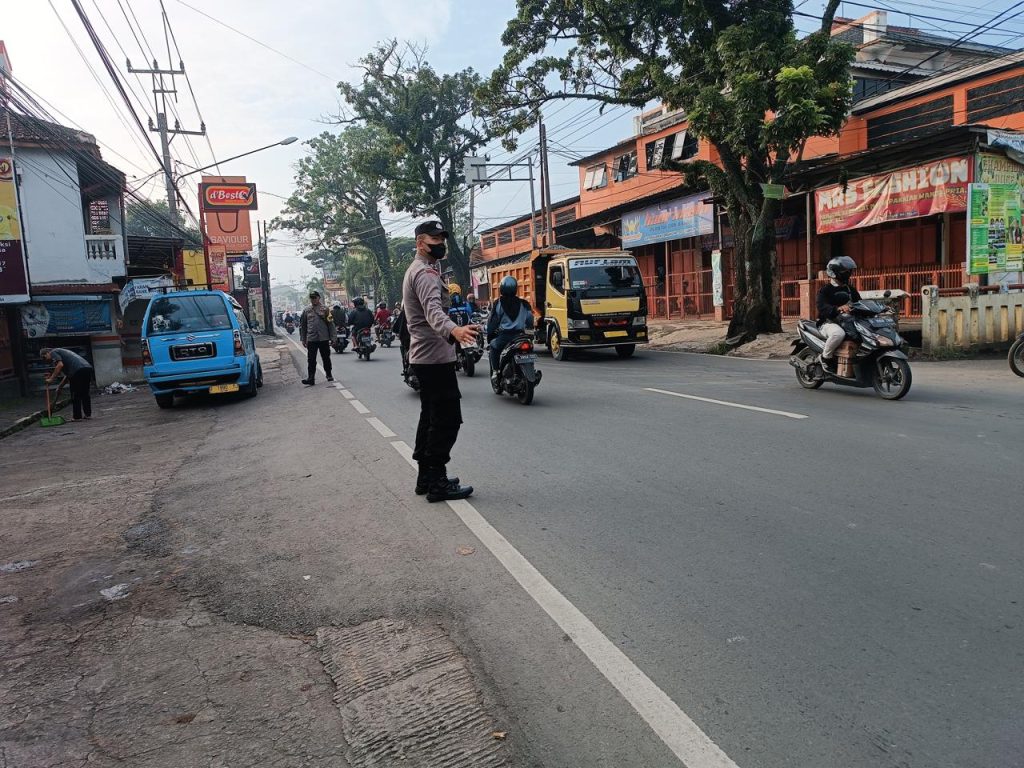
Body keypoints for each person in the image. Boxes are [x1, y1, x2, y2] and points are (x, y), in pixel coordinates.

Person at [402, 220, 478, 502]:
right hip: (433, 358)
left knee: (430, 417)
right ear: (421, 242)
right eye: (435, 238)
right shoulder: (425, 274)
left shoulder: (421, 270)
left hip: (425, 357)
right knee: (447, 420)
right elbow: (434, 312)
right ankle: (437, 481)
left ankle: (426, 477)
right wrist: (454, 330)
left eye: (442, 237)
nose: (441, 243)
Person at [816, 256, 861, 373]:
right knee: (838, 334)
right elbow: (822, 308)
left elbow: (860, 303)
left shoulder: (850, 289)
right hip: (828, 323)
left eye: (848, 271)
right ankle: (825, 357)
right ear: (835, 273)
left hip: (847, 321)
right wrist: (838, 309)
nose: (848, 273)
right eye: (845, 271)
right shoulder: (825, 290)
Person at [486, 276, 534, 383]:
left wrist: (490, 334)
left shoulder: (499, 303)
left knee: (493, 347)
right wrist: (530, 335)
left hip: (505, 336)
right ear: (515, 288)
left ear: (501, 288)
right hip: (521, 336)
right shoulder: (524, 304)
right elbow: (530, 320)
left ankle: (495, 372)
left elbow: (493, 322)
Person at [41, 347, 93, 420]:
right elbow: (68, 375)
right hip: (87, 368)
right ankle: (88, 414)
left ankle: (77, 417)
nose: (46, 360)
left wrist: (51, 379)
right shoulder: (63, 353)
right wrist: (60, 387)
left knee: (75, 394)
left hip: (77, 371)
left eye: (44, 358)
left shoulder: (53, 352)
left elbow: (60, 365)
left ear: (47, 353)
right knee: (85, 393)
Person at [299, 291, 335, 385]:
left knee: (326, 357)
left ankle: (329, 374)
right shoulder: (306, 310)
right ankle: (311, 378)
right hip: (311, 338)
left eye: (315, 297)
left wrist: (333, 338)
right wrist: (303, 339)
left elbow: (331, 324)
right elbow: (303, 326)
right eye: (311, 298)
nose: (313, 300)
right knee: (311, 359)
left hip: (323, 338)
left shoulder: (325, 309)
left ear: (319, 298)